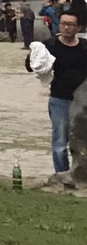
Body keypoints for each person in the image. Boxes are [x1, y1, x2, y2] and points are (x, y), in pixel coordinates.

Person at [27, 11, 85, 189]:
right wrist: (34, 58)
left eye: (70, 24)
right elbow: (31, 66)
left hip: (82, 103)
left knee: (82, 140)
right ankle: (63, 176)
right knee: (60, 141)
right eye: (63, 23)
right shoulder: (50, 45)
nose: (66, 27)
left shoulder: (84, 47)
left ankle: (81, 175)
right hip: (59, 99)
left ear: (78, 27)